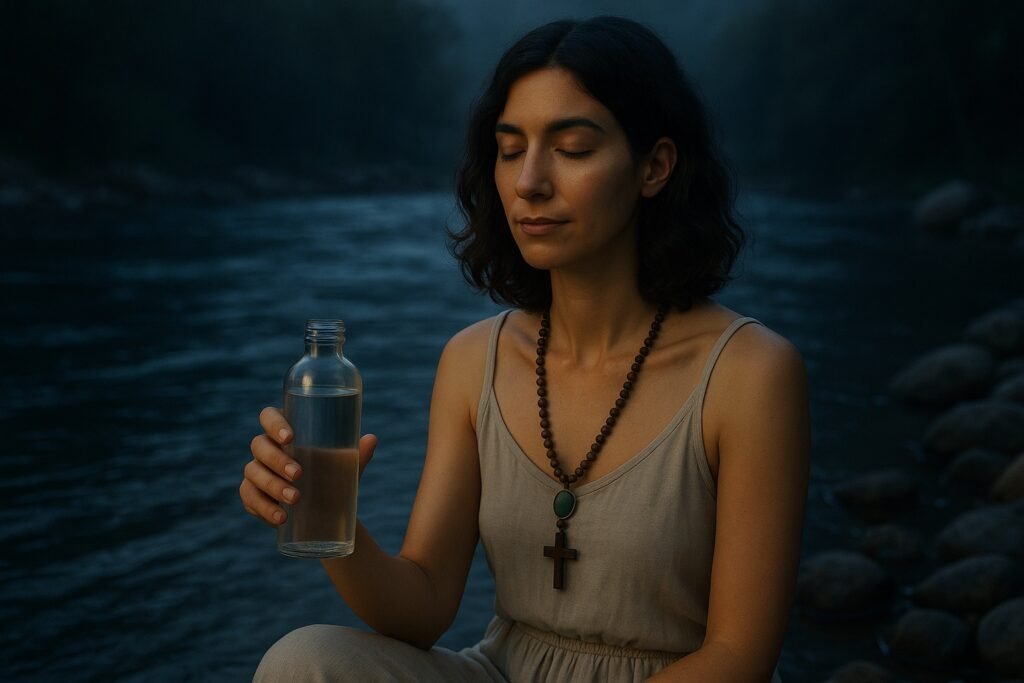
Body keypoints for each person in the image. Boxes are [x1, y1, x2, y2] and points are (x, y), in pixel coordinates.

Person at [240, 15, 810, 683]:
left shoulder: (751, 373)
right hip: (502, 670)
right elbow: (422, 605)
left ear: (654, 166)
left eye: (571, 148)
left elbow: (739, 655)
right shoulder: (472, 359)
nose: (529, 182)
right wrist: (326, 515)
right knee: (301, 663)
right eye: (511, 150)